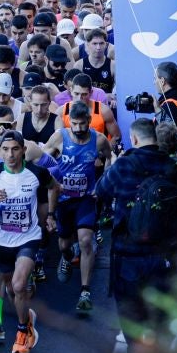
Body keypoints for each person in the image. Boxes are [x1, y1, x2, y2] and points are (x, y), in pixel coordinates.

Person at [95, 118, 177, 353]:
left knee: (131, 316)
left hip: (128, 253)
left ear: (134, 138)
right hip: (163, 253)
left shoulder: (125, 164)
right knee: (160, 316)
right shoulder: (172, 165)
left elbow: (101, 191)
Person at [0, 131, 57, 353]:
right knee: (11, 288)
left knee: (19, 285)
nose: (10, 154)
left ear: (23, 150)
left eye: (15, 149)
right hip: (2, 240)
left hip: (28, 237)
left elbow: (54, 187)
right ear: (0, 151)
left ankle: (21, 332)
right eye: (5, 150)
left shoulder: (36, 172)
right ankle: (27, 319)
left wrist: (50, 214)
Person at [44, 101, 111, 311]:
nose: (78, 128)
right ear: (69, 122)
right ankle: (66, 257)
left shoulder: (99, 139)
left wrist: (101, 184)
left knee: (85, 241)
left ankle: (85, 292)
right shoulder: (59, 137)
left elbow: (110, 158)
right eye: (74, 123)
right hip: (63, 200)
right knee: (64, 245)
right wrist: (53, 180)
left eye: (82, 124)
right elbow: (43, 158)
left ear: (89, 121)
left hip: (85, 199)